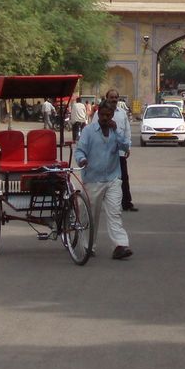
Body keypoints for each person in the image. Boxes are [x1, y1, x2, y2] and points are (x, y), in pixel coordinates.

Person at [75, 100, 132, 259]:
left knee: (115, 213)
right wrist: (82, 160)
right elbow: (79, 151)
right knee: (92, 215)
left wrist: (118, 132)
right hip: (93, 179)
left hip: (113, 178)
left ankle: (120, 245)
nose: (105, 118)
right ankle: (88, 246)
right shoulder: (89, 131)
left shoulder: (115, 131)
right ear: (97, 114)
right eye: (103, 115)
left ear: (112, 115)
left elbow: (126, 146)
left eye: (108, 115)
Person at [105, 89, 136, 211]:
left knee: (123, 177)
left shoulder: (122, 113)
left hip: (120, 152)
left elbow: (127, 131)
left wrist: (128, 146)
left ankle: (126, 203)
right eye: (111, 97)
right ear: (106, 98)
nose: (113, 100)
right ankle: (105, 204)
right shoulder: (100, 113)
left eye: (115, 97)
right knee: (105, 179)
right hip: (105, 153)